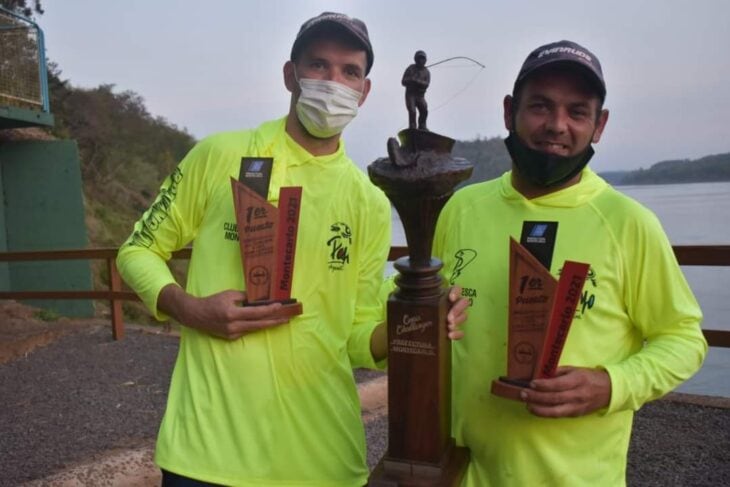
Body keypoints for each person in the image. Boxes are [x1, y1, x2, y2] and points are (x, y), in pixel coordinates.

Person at [117, 11, 467, 487]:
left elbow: (357, 337)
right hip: (206, 456)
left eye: (349, 72)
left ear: (364, 91)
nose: (333, 82)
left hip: (323, 462)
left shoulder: (367, 199)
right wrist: (188, 307)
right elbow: (137, 250)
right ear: (290, 75)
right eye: (318, 65)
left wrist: (419, 321)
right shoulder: (220, 155)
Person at [433, 40, 707, 486]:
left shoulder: (628, 223)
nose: (557, 126)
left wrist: (611, 385)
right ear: (509, 112)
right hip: (465, 473)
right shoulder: (462, 208)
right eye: (540, 106)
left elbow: (682, 339)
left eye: (577, 112)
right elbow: (424, 316)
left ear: (599, 126)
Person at [401, 50, 430, 130]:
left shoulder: (426, 72)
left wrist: (417, 81)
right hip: (411, 95)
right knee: (412, 111)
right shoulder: (411, 68)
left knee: (424, 109)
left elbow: (426, 84)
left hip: (420, 96)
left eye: (423, 59)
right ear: (416, 59)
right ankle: (412, 127)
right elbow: (403, 81)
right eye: (419, 58)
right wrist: (411, 79)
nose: (421, 60)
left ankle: (422, 125)